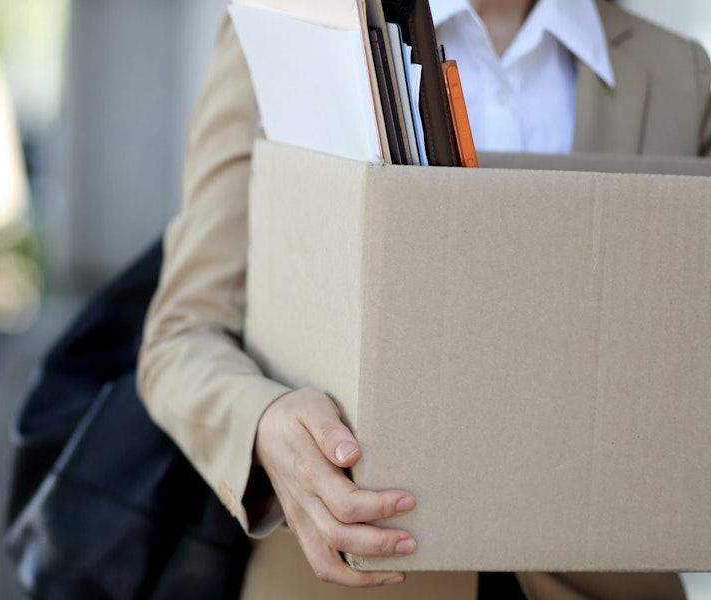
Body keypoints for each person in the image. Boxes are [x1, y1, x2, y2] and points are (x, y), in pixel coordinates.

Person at [137, 0, 711, 598]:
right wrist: (265, 424)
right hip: (360, 581)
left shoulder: (678, 72)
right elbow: (180, 335)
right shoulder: (296, 28)